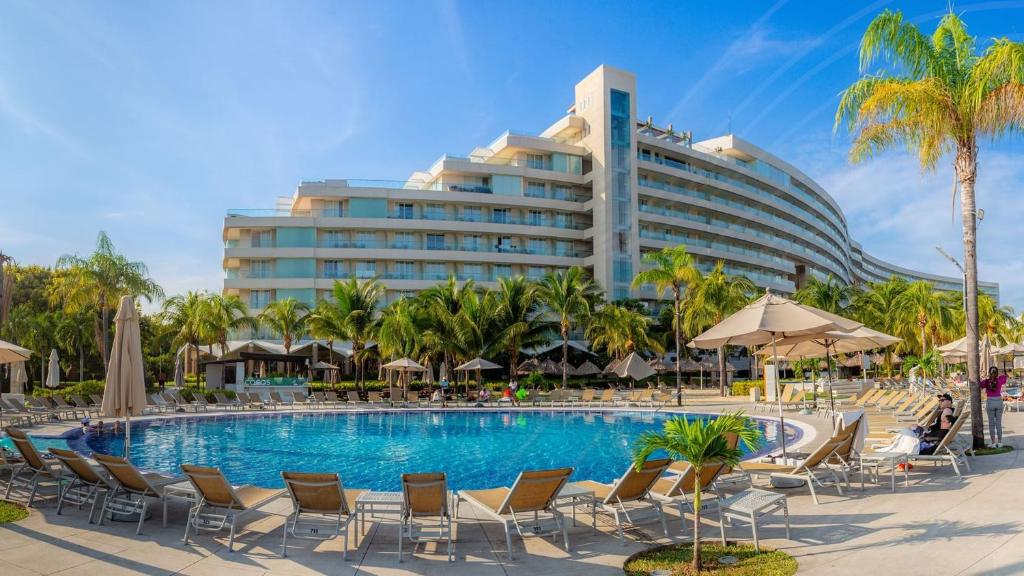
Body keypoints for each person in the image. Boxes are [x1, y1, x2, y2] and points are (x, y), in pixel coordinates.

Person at [982, 366, 1007, 448]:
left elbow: (979, 384)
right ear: (996, 373)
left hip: (990, 402)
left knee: (991, 424)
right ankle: (1000, 442)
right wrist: (998, 374)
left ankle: (993, 442)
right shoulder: (1000, 380)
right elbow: (1005, 376)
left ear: (989, 373)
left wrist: (985, 377)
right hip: (999, 402)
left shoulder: (986, 381)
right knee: (998, 424)